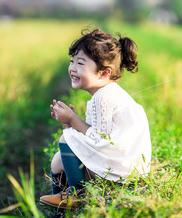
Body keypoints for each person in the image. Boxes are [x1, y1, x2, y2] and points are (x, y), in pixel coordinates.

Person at [39, 29, 151, 209]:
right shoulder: (105, 93)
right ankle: (60, 205)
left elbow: (99, 139)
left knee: (66, 138)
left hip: (118, 170)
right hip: (120, 164)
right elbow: (99, 135)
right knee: (58, 160)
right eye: (72, 61)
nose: (73, 68)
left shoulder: (103, 98)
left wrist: (73, 121)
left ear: (104, 73)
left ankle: (76, 195)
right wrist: (72, 121)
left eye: (80, 63)